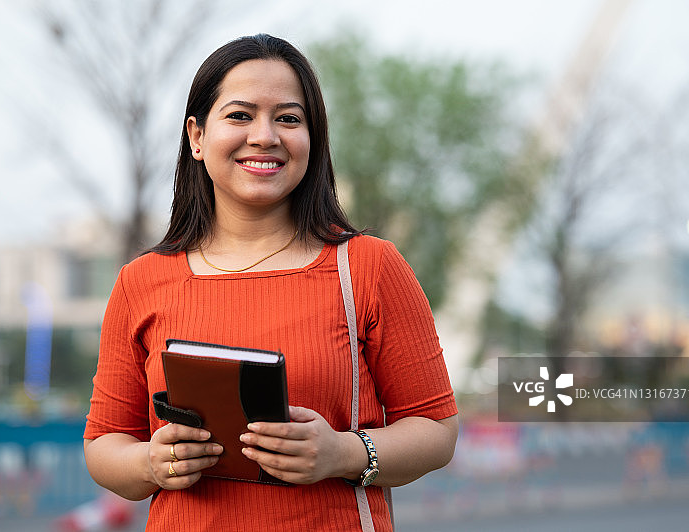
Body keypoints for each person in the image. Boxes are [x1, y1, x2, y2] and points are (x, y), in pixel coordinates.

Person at [83, 34, 459, 532]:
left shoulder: (367, 267)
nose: (265, 136)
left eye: (288, 118)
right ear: (196, 137)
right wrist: (152, 463)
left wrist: (343, 452)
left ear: (313, 139)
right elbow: (104, 444)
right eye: (239, 115)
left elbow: (437, 429)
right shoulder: (141, 281)